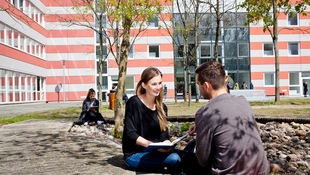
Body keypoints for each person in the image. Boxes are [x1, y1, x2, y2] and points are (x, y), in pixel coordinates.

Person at [186, 61, 269, 174]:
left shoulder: (205, 113)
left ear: (206, 85)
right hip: (260, 170)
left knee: (188, 158)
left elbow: (203, 160)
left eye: (198, 84)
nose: (199, 88)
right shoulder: (242, 101)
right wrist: (200, 126)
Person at [122, 67, 181, 173]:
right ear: (144, 85)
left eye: (160, 83)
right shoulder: (133, 103)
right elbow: (130, 133)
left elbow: (164, 135)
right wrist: (151, 145)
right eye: (154, 84)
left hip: (156, 152)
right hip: (134, 155)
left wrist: (167, 144)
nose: (158, 87)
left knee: (188, 152)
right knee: (175, 159)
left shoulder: (162, 107)